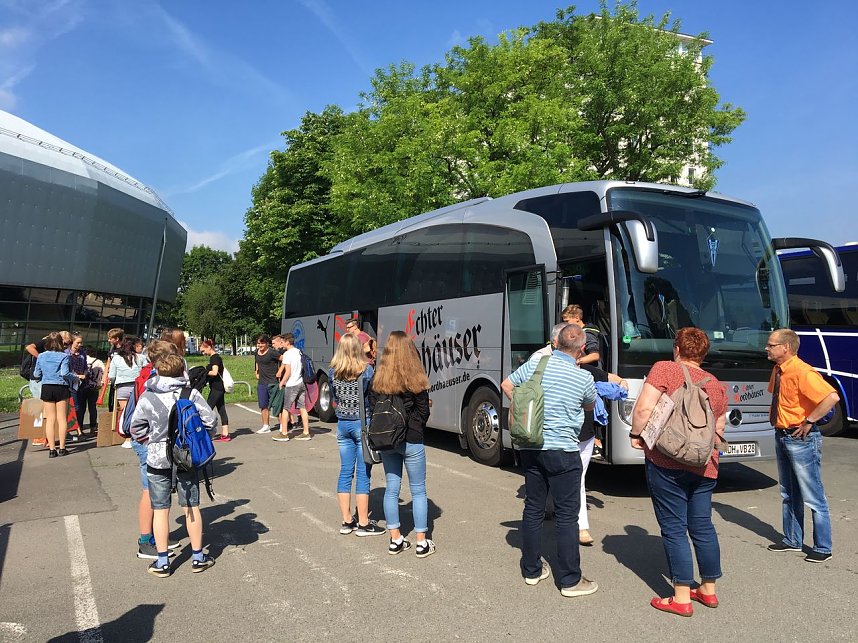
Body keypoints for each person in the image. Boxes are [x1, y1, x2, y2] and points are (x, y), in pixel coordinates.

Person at [629, 327, 727, 616]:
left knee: (673, 528)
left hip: (666, 461)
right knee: (702, 526)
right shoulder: (716, 384)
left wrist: (638, 435)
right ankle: (708, 590)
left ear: (677, 349)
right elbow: (718, 430)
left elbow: (644, 410)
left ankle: (681, 597)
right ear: (704, 353)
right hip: (704, 465)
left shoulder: (665, 370)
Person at [501, 324, 597, 597]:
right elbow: (589, 405)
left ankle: (531, 569)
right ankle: (569, 580)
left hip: (532, 446)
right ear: (581, 350)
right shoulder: (582, 378)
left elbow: (507, 385)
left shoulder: (535, 365)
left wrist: (524, 407)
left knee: (533, 507)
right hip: (564, 451)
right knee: (567, 515)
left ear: (555, 344)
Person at [129, 352, 217, 577]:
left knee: (160, 510)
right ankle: (198, 557)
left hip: (157, 459)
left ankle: (162, 562)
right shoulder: (191, 393)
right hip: (186, 458)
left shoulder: (148, 396)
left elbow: (135, 427)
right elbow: (210, 421)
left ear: (157, 371)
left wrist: (152, 441)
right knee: (191, 507)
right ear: (182, 371)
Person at [765, 328, 839, 563]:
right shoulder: (778, 370)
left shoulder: (802, 371)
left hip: (800, 438)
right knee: (789, 492)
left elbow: (831, 397)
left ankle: (823, 547)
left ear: (785, 348)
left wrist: (809, 421)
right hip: (783, 434)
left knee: (812, 494)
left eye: (771, 345)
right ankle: (792, 540)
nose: (767, 348)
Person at [369, 330, 436, 558]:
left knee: (391, 488)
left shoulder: (379, 378)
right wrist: (414, 429)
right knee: (418, 490)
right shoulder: (416, 377)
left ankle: (395, 539)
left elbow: (373, 406)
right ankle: (421, 541)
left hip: (388, 439)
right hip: (412, 440)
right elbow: (423, 410)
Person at [129, 340, 182, 560]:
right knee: (149, 492)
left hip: (152, 441)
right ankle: (145, 540)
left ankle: (158, 536)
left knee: (157, 493)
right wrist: (151, 440)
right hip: (149, 442)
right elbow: (140, 421)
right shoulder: (152, 381)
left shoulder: (150, 375)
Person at [329, 333, 385, 535]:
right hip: (362, 425)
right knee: (363, 474)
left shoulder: (333, 371)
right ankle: (363, 523)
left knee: (345, 472)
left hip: (342, 424)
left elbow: (335, 397)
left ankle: (346, 521)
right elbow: (371, 396)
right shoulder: (366, 370)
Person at [33, 333, 74, 457]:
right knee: (62, 419)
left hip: (47, 387)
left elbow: (36, 374)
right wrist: (76, 378)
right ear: (61, 343)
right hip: (61, 387)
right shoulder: (64, 356)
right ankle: (62, 448)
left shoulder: (41, 356)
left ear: (47, 343)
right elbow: (65, 373)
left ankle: (52, 449)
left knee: (50, 419)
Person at [109, 337, 147, 448]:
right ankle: (139, 434)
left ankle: (127, 437)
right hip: (137, 387)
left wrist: (114, 382)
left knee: (125, 412)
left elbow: (111, 376)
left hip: (122, 387)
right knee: (138, 411)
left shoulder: (116, 358)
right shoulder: (141, 358)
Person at [277, 333, 311, 440]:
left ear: (287, 342)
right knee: (302, 407)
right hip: (301, 382)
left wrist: (282, 382)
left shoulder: (287, 354)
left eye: (282, 342)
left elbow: (288, 372)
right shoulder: (299, 351)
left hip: (292, 384)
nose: (281, 344)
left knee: (286, 408)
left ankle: (284, 433)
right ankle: (306, 432)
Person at [201, 340, 231, 442]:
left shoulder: (214, 358)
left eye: (203, 350)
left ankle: (205, 433)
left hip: (217, 388)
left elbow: (214, 372)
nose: (203, 353)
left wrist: (204, 372)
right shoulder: (215, 357)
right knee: (221, 409)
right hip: (218, 387)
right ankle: (225, 434)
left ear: (209, 347)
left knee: (207, 409)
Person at [254, 334, 280, 434]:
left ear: (266, 343)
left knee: (277, 406)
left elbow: (284, 360)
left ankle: (282, 425)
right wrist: (256, 371)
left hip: (273, 381)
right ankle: (266, 426)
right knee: (263, 405)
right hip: (262, 383)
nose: (259, 345)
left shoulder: (272, 352)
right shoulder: (256, 352)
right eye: (258, 343)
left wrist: (280, 372)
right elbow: (257, 362)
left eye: (261, 343)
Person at [80, 347, 104, 433]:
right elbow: (103, 373)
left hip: (82, 386)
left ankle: (80, 426)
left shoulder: (82, 359)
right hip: (94, 387)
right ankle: (93, 426)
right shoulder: (98, 361)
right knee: (92, 407)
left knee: (81, 407)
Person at [101, 328, 125, 411]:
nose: (108, 340)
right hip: (113, 379)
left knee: (120, 405)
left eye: (110, 338)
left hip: (122, 379)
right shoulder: (112, 349)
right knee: (111, 403)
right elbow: (108, 361)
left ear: (117, 339)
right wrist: (105, 375)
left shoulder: (124, 349)